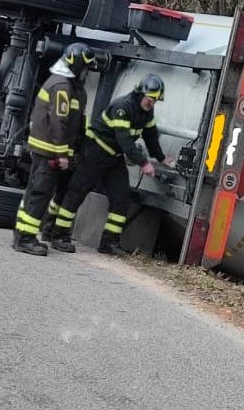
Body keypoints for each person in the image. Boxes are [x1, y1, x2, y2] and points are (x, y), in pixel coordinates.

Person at [52, 73, 170, 256]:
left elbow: (150, 136)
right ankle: (58, 235)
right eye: (150, 99)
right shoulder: (122, 107)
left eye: (155, 101)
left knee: (121, 199)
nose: (152, 103)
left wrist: (161, 158)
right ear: (140, 93)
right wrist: (144, 163)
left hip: (114, 158)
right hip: (95, 152)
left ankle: (109, 242)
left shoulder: (147, 113)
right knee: (76, 192)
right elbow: (125, 142)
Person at [12, 42, 94, 256]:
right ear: (76, 65)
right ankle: (25, 239)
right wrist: (62, 153)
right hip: (49, 150)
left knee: (36, 192)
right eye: (84, 68)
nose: (86, 73)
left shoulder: (69, 86)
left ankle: (24, 234)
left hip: (51, 149)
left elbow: (76, 121)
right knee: (40, 193)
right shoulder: (61, 86)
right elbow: (59, 121)